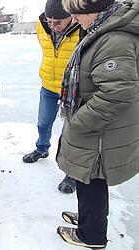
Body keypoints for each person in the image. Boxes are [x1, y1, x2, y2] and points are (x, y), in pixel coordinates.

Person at [56, 0, 139, 248]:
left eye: (77, 14)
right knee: (86, 177)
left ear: (93, 10)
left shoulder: (113, 39)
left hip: (100, 131)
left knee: (91, 178)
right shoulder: (103, 30)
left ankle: (91, 235)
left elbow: (118, 93)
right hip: (99, 128)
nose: (74, 20)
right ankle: (89, 220)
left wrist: (79, 121)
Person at [22, 0, 80, 194]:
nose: (53, 26)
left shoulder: (82, 29)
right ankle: (42, 148)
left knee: (72, 132)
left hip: (73, 89)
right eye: (50, 21)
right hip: (48, 84)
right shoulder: (42, 25)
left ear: (71, 17)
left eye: (58, 22)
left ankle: (71, 171)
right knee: (43, 122)